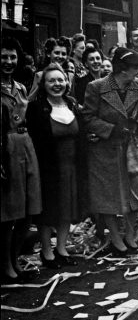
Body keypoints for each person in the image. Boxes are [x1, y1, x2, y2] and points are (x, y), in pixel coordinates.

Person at [82, 47, 138, 256]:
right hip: (105, 150)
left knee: (135, 195)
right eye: (135, 68)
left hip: (130, 148)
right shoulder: (96, 87)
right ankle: (115, 239)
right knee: (109, 197)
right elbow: (87, 117)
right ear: (123, 69)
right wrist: (110, 130)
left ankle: (130, 236)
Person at [27, 63, 82, 268]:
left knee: (67, 206)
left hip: (71, 166)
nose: (56, 84)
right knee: (48, 209)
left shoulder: (72, 104)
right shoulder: (36, 108)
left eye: (60, 80)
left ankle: (61, 247)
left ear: (66, 83)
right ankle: (46, 251)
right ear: (43, 84)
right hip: (48, 167)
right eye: (51, 81)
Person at [1, 37, 42, 283]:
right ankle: (5, 265)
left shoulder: (20, 87)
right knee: (9, 212)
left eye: (12, 57)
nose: (8, 62)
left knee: (30, 209)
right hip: (6, 149)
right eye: (3, 57)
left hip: (25, 147)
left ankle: (15, 259)